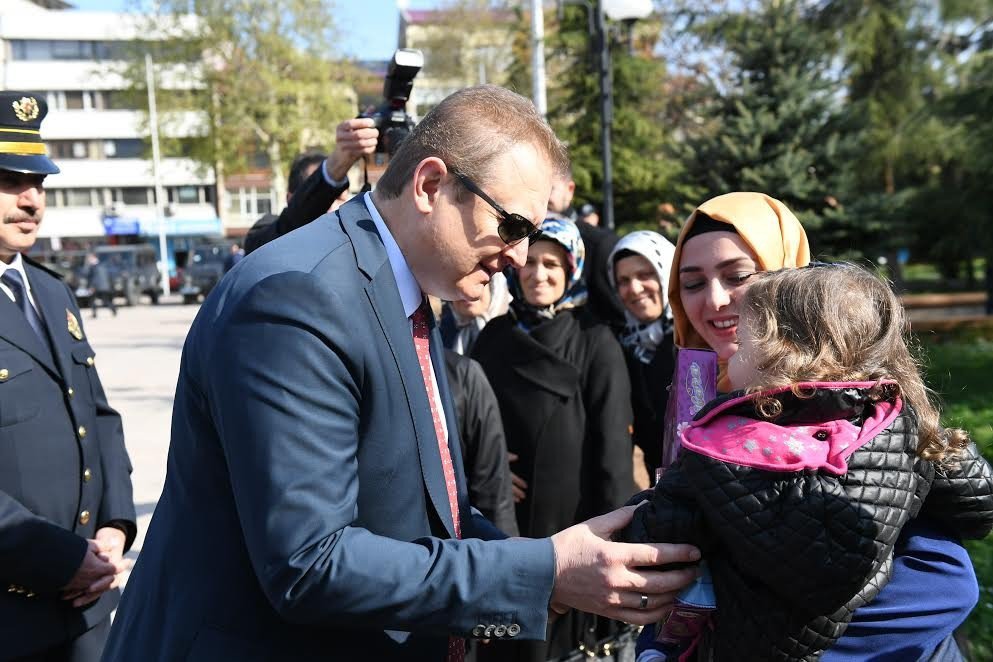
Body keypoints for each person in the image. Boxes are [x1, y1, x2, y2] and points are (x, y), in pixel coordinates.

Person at [102, 85, 700, 662]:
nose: (520, 256)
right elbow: (311, 564)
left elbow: (428, 509)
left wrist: (553, 565)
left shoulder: (403, 291)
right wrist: (542, 572)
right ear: (431, 184)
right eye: (514, 226)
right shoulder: (298, 298)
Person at [648, 191, 987, 661]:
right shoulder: (693, 389)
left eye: (739, 276)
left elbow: (943, 584)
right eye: (691, 283)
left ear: (789, 284)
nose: (715, 300)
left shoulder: (858, 406)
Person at [0, 92, 135, 661]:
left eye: (39, 182)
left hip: (86, 608)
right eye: (10, 180)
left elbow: (98, 416)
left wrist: (114, 527)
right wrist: (59, 558)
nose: (32, 199)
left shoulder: (52, 292)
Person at [472, 216, 635, 661]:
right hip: (500, 519)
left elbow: (612, 459)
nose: (538, 274)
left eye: (552, 264)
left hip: (572, 524)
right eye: (530, 262)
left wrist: (610, 552)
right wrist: (487, 468)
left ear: (571, 270)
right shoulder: (492, 337)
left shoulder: (594, 341)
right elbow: (464, 423)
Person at [242, 117, 379, 255]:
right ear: (290, 198)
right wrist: (334, 167)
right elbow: (288, 226)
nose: (330, 208)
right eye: (320, 199)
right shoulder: (265, 235)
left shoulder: (359, 243)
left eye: (339, 198)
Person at [607, 231, 677, 479]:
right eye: (623, 281)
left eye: (645, 275)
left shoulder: (696, 340)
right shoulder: (622, 346)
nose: (634, 289)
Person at [548, 167, 626, 331]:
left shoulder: (599, 245)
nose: (541, 198)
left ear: (569, 190)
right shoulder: (516, 242)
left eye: (549, 189)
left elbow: (621, 321)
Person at [439, 272, 512, 356]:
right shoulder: (436, 336)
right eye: (459, 283)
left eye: (477, 283)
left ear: (494, 289)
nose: (467, 293)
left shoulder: (514, 333)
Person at [82, 252, 117, 318]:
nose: (89, 260)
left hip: (97, 286)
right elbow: (108, 276)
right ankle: (114, 310)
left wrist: (92, 287)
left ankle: (94, 314)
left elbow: (93, 277)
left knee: (92, 300)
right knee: (105, 300)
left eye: (90, 258)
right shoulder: (102, 266)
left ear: (94, 258)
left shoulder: (93, 267)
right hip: (104, 286)